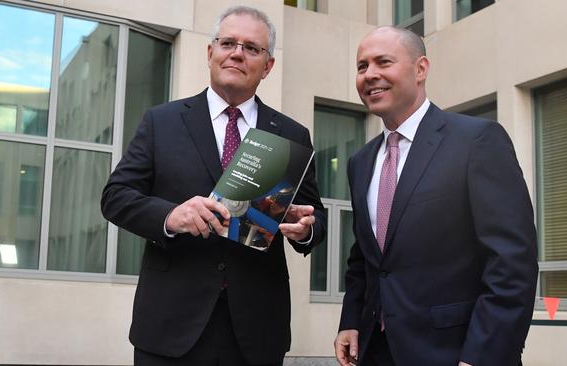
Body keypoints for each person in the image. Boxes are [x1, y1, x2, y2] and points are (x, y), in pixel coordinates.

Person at [101, 6, 325, 366]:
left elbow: (317, 219)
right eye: (228, 43)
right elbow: (115, 197)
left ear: (268, 66)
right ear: (211, 53)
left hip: (256, 329)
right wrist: (171, 216)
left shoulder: (292, 135)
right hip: (169, 324)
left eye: (252, 48)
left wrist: (304, 230)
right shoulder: (163, 121)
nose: (237, 52)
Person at [334, 26, 538, 366]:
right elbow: (367, 260)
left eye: (383, 62)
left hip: (456, 353)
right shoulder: (361, 162)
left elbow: (511, 262)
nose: (370, 75)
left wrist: (483, 356)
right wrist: (351, 321)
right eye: (361, 66)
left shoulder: (477, 141)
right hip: (375, 352)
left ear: (420, 69)